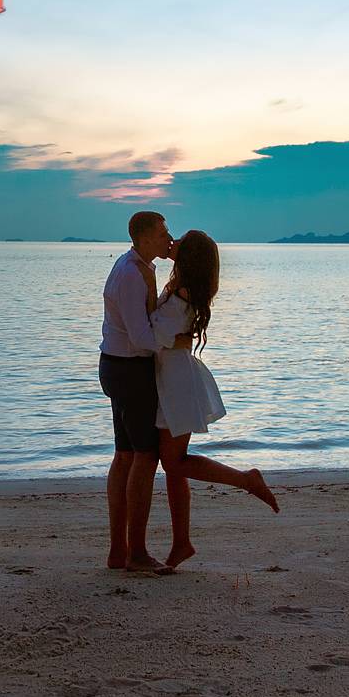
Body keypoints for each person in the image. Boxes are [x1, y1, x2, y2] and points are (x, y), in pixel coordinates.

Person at [149, 229, 278, 572]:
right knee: (174, 468)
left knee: (175, 463)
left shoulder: (183, 293)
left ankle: (246, 479)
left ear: (188, 257)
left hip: (177, 383)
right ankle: (181, 544)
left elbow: (154, 333)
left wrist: (169, 337)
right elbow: (168, 337)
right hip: (172, 378)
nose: (171, 242)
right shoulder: (185, 288)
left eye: (180, 242)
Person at [98, 209, 177, 571]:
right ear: (144, 238)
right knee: (143, 458)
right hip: (129, 370)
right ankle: (137, 553)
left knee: (127, 456)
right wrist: (177, 343)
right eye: (163, 234)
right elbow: (141, 337)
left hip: (119, 366)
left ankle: (120, 552)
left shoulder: (139, 266)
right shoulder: (131, 274)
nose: (167, 238)